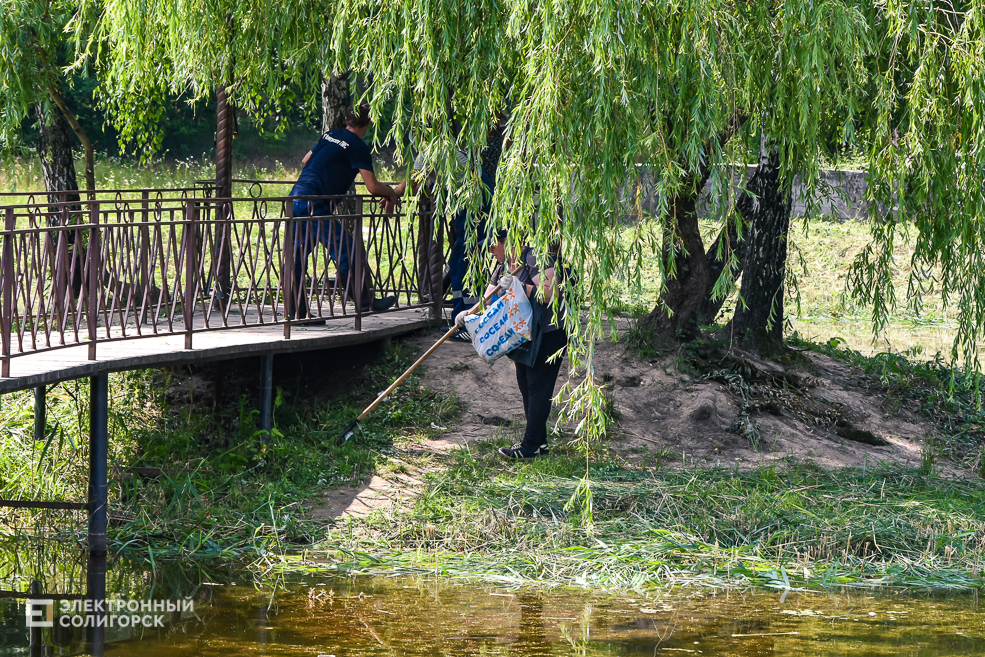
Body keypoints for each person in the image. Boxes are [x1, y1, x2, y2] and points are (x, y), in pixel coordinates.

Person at [457, 231, 567, 459]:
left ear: (508, 241)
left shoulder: (536, 259)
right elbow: (489, 297)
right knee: (526, 385)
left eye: (491, 244)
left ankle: (531, 447)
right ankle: (539, 443)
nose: (488, 250)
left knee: (538, 388)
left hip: (549, 332)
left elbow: (550, 294)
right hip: (525, 335)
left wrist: (521, 287)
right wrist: (468, 314)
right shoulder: (502, 266)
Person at [289, 104, 399, 319]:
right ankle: (365, 303)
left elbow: (305, 160)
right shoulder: (358, 146)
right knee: (347, 248)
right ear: (369, 123)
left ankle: (297, 312)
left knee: (296, 256)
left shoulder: (331, 134)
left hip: (297, 197)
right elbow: (373, 187)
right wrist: (392, 194)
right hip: (315, 202)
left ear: (347, 120)